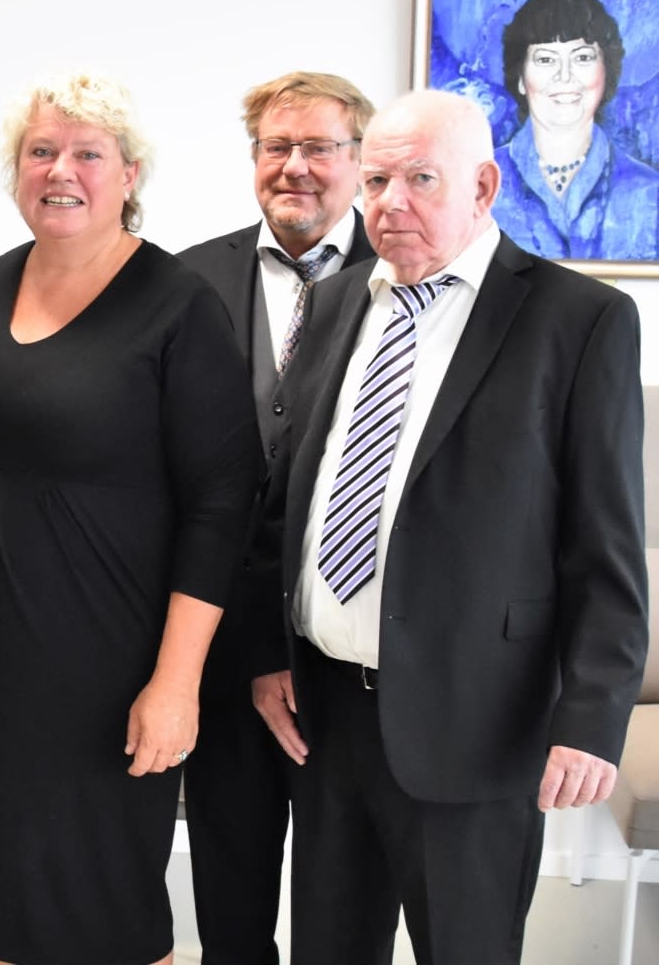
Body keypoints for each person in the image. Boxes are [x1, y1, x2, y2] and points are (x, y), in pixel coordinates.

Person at [257, 90, 647, 964]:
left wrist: (591, 717)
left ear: (484, 186)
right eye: (377, 181)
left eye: (421, 180)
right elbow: (286, 501)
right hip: (326, 720)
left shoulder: (577, 320)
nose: (390, 203)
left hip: (478, 724)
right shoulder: (336, 301)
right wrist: (265, 652)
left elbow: (606, 548)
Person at [0, 72, 261, 965]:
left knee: (107, 913)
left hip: (103, 672)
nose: (61, 171)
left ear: (129, 174)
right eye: (41, 151)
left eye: (88, 153)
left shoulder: (178, 304)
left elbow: (222, 504)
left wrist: (176, 684)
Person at [175, 71, 375, 965]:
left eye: (318, 148)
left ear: (359, 160)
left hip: (345, 662)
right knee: (230, 900)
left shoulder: (404, 278)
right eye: (275, 147)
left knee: (344, 912)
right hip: (216, 645)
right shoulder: (187, 279)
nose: (294, 166)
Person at [491, 0, 659, 260]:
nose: (565, 76)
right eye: (546, 59)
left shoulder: (649, 193)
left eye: (582, 57)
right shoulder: (477, 187)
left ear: (606, 72)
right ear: (520, 77)